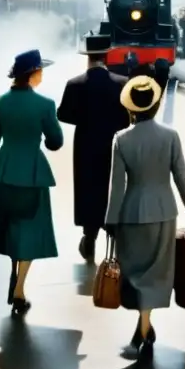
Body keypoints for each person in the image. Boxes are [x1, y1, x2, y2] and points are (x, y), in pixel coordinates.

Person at [104, 75, 185, 360]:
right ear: (156, 106)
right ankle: (145, 326)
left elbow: (117, 185)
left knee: (135, 275)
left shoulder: (121, 139)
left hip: (131, 213)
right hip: (164, 211)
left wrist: (111, 220)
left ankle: (142, 331)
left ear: (131, 108)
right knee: (155, 273)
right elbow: (181, 175)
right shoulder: (170, 136)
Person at [0, 49, 63, 318]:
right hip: (32, 174)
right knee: (30, 230)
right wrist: (45, 139)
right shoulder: (45, 105)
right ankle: (20, 288)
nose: (43, 75)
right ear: (33, 74)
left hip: (2, 174)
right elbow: (56, 141)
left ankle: (13, 271)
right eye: (41, 71)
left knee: (11, 227)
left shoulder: (0, 103)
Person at [57, 33, 129, 263]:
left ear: (88, 58)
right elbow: (127, 119)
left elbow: (63, 114)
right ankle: (114, 231)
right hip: (114, 141)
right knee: (113, 185)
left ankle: (90, 234)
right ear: (107, 56)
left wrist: (85, 119)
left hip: (86, 142)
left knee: (88, 187)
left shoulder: (74, 84)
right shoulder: (121, 83)